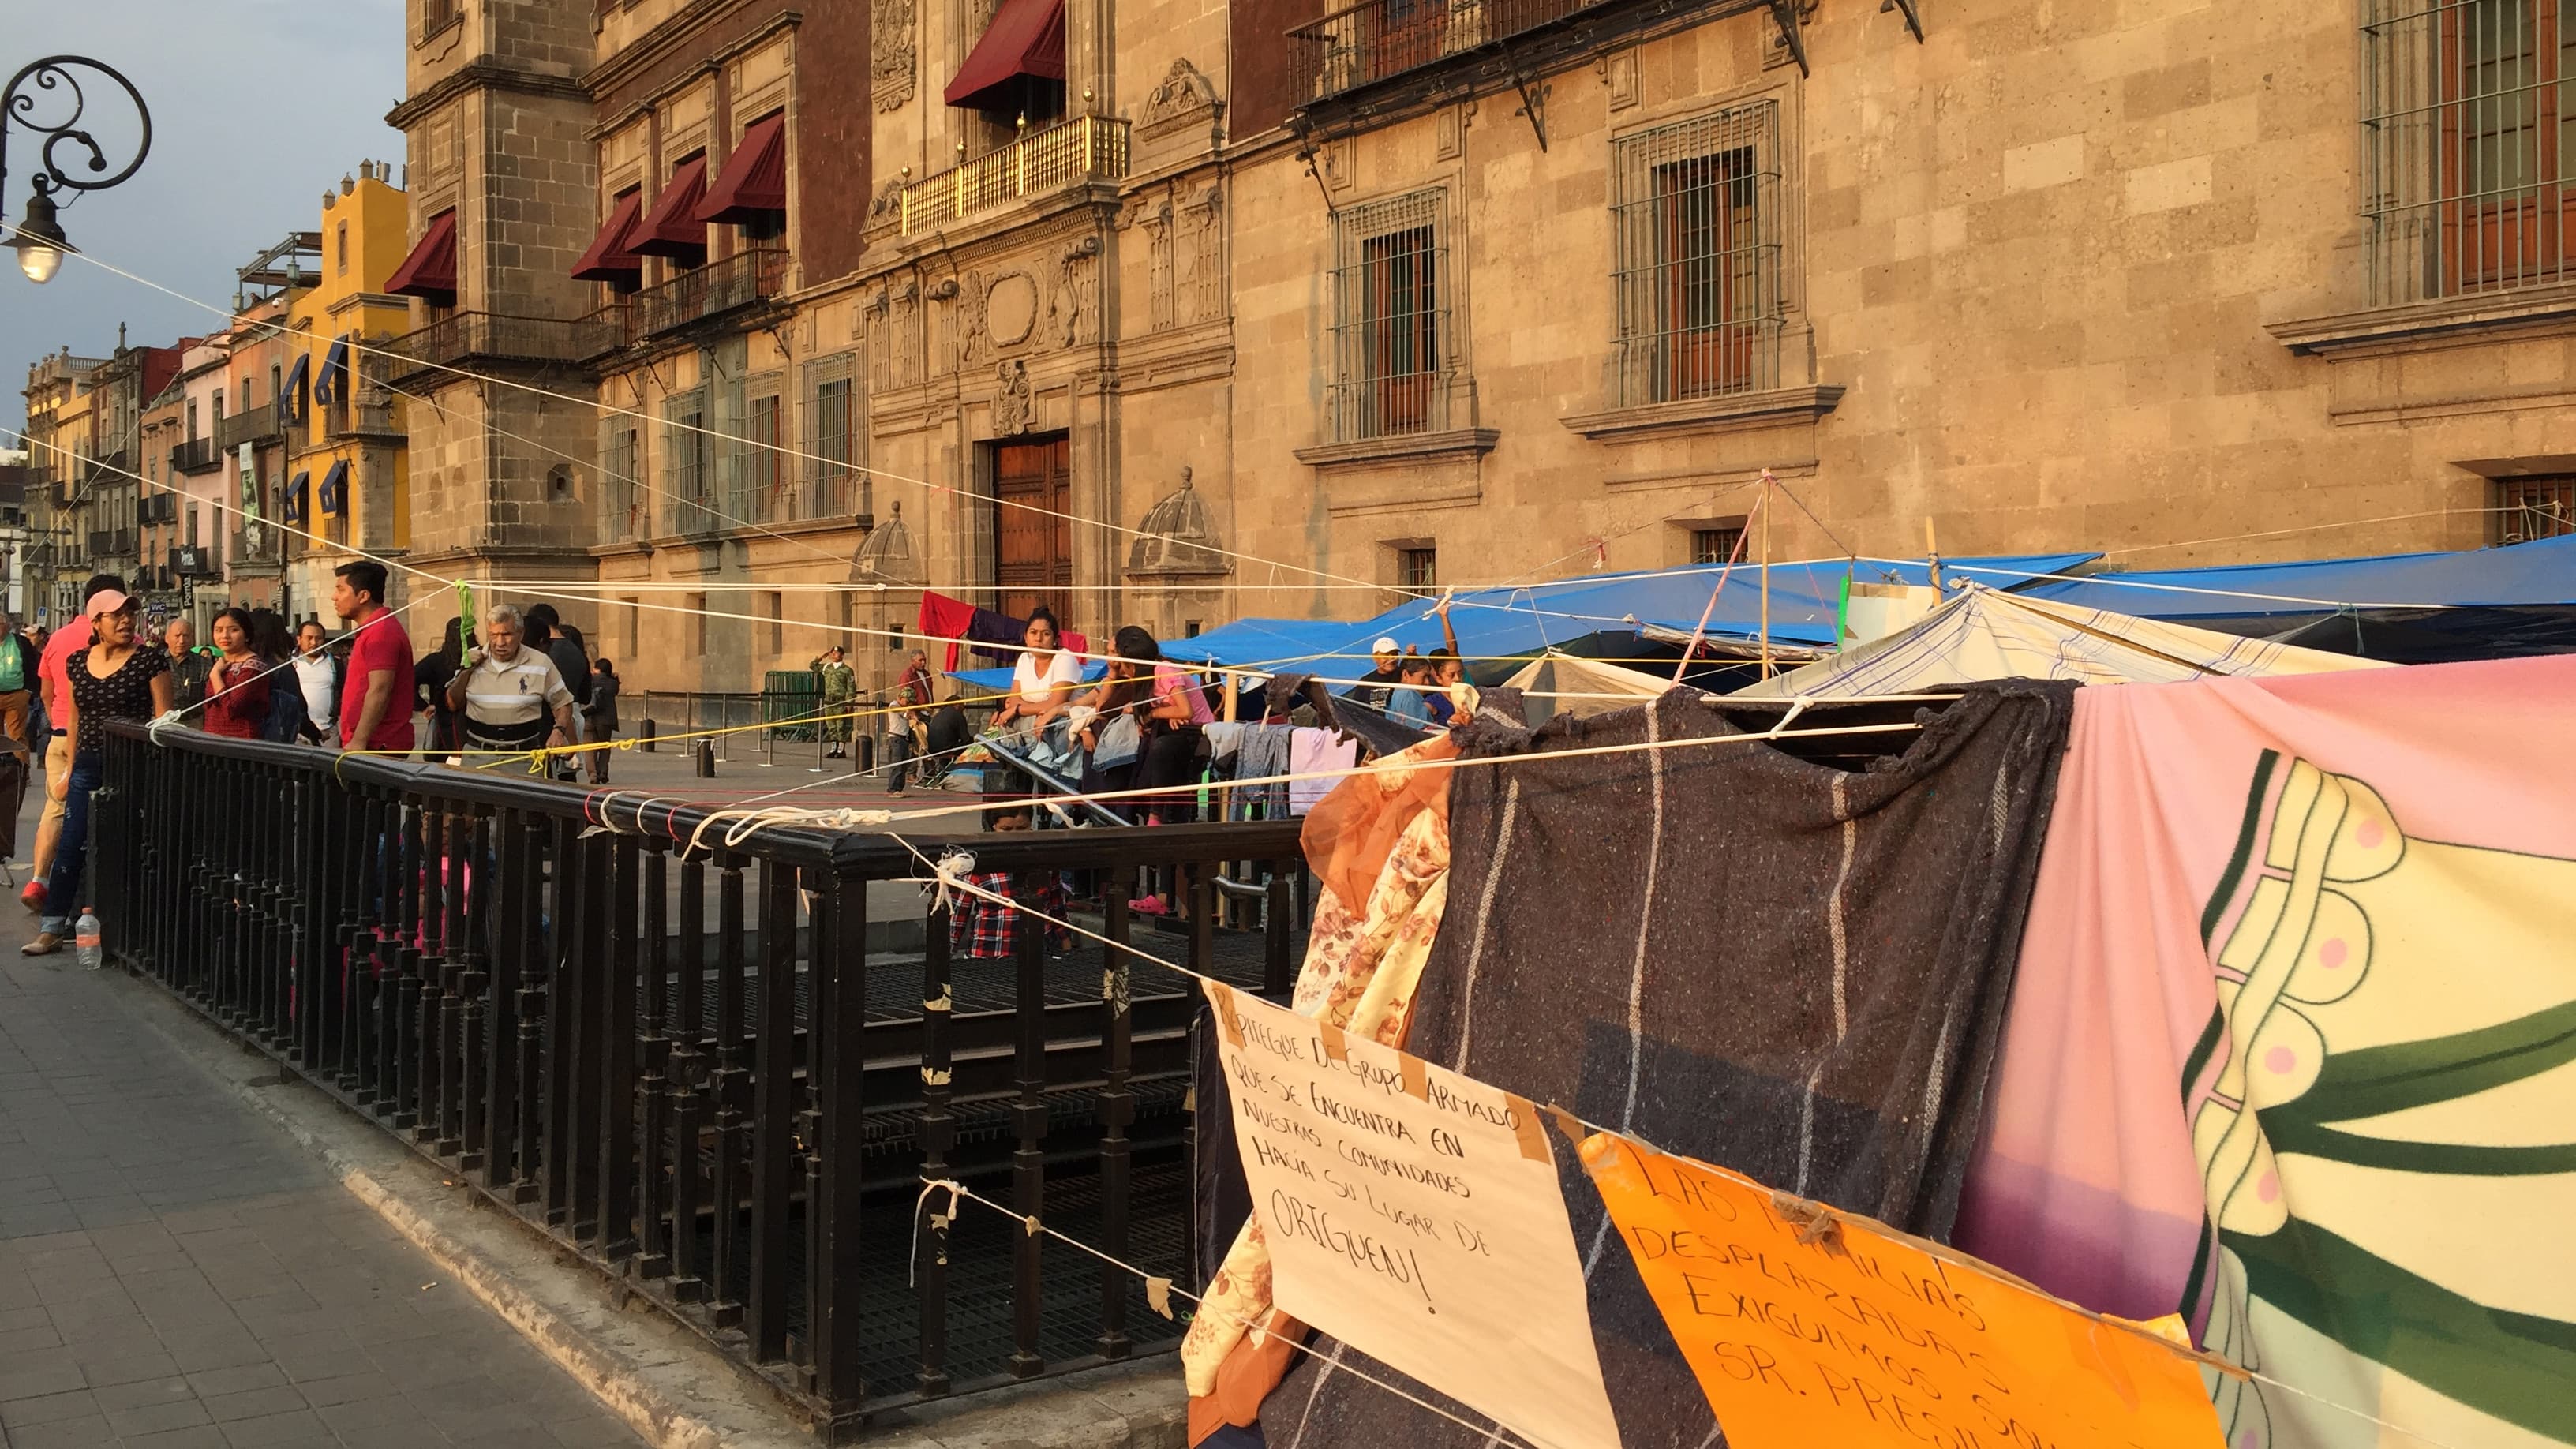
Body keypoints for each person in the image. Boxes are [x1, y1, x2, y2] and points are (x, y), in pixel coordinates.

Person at [24, 586, 173, 956]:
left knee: (127, 840)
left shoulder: (150, 661)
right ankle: (52, 927)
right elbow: (75, 719)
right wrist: (70, 767)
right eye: (116, 615)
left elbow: (163, 718)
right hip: (88, 761)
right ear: (96, 622)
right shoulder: (77, 661)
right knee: (72, 841)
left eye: (130, 613)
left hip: (133, 762)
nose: (126, 621)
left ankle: (131, 929)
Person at [25, 575, 122, 915]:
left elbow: (46, 693)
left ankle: (38, 879)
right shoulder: (128, 642)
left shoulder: (58, 639)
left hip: (62, 735)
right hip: (106, 743)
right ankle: (92, 897)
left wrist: (57, 724)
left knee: (54, 812)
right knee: (103, 817)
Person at [447, 603, 575, 762]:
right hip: (477, 754)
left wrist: (558, 731)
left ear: (520, 634)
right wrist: (466, 671)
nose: (500, 642)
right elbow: (452, 703)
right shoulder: (473, 657)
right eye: (494, 635)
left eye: (507, 634)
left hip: (524, 756)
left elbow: (563, 703)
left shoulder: (541, 663)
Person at [334, 561, 415, 757]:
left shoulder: (382, 632)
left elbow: (380, 689)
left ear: (363, 596)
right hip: (367, 744)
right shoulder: (373, 630)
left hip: (377, 746)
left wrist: (359, 740)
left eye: (341, 590)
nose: (334, 597)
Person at [522, 605, 590, 780]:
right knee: (567, 780)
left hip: (550, 728)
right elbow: (583, 696)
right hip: (569, 720)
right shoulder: (576, 651)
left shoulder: (544, 658)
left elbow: (559, 703)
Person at [991, 606, 1082, 732]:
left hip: (1057, 727)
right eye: (1033, 632)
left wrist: (1018, 710)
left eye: (1046, 634)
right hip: (1025, 724)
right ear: (1025, 637)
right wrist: (1035, 709)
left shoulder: (1065, 659)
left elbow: (1055, 704)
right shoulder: (1024, 659)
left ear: (1055, 640)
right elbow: (1013, 699)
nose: (1038, 639)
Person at [200, 608, 272, 739]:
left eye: (233, 630)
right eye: (218, 630)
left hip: (240, 741)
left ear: (247, 635)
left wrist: (215, 675)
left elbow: (231, 709)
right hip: (212, 738)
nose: (225, 636)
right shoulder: (221, 663)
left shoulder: (253, 667)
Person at [414, 616, 470, 762]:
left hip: (470, 722)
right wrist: (423, 707)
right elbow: (409, 679)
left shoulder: (479, 659)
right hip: (445, 724)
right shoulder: (436, 661)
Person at [886, 648, 936, 795]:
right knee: (899, 762)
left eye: (924, 659)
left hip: (924, 712)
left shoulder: (926, 674)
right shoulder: (907, 676)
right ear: (913, 660)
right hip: (899, 734)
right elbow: (903, 707)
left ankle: (902, 786)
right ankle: (896, 786)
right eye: (920, 660)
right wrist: (913, 712)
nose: (923, 662)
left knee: (922, 746)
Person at [290, 619, 341, 744]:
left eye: (319, 639)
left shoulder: (336, 664)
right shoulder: (287, 663)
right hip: (297, 733)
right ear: (299, 639)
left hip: (329, 732)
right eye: (309, 638)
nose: (314, 643)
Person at [810, 645, 858, 759]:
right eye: (832, 653)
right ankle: (833, 748)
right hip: (828, 701)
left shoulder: (847, 670)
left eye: (836, 653)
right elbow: (812, 666)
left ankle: (841, 749)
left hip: (840, 701)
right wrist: (821, 657)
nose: (833, 655)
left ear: (842, 655)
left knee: (841, 726)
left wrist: (849, 702)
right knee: (831, 725)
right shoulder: (827, 667)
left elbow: (851, 687)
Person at [0, 611, 36, 756]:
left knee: (17, 737)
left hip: (16, 695)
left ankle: (21, 772)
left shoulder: (21, 643)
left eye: (0, 624)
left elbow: (32, 666)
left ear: (8, 625)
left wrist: (28, 691)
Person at [163, 616, 214, 713]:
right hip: (161, 720)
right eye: (177, 636)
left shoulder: (204, 664)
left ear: (192, 638)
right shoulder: (156, 662)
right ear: (167, 638)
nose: (181, 641)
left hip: (194, 720)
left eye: (186, 636)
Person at [582, 658, 620, 784]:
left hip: (589, 717)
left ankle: (593, 775)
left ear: (598, 669)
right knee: (605, 746)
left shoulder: (591, 680)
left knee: (590, 748)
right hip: (606, 720)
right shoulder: (613, 683)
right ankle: (603, 772)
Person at [1356, 636, 1404, 712]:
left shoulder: (1404, 675)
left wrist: (1414, 656)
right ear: (1375, 657)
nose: (1391, 659)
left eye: (1394, 654)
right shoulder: (1365, 682)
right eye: (1386, 655)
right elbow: (1357, 710)